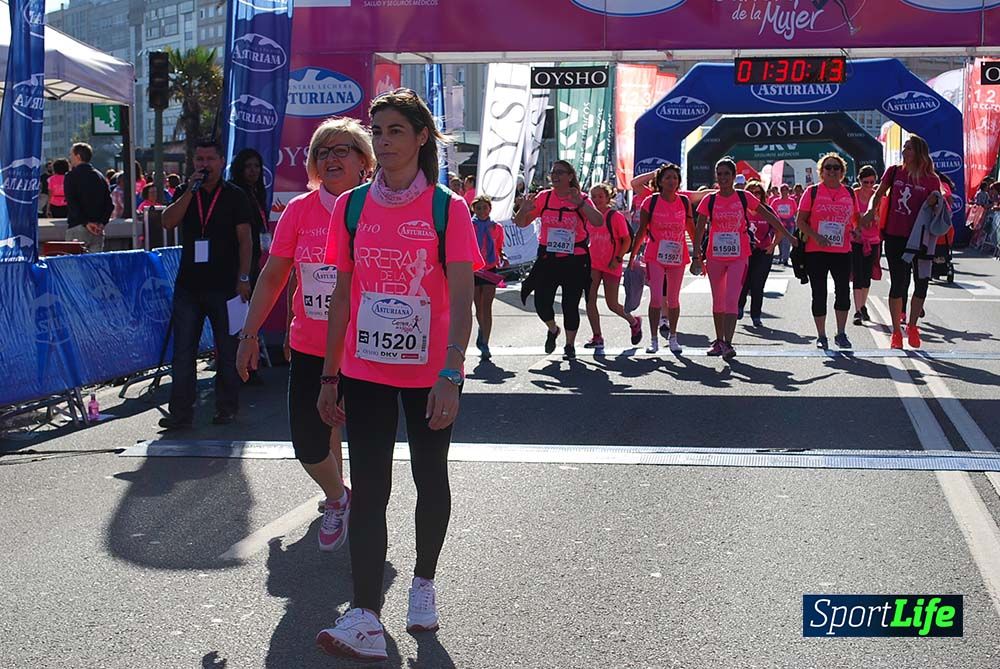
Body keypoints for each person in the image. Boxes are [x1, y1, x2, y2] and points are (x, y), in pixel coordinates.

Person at [314, 89, 482, 661]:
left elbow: (461, 296)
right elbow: (342, 294)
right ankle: (363, 612)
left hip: (430, 373)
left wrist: (452, 372)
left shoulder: (447, 208)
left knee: (430, 477)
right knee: (371, 493)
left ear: (419, 138)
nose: (382, 143)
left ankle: (424, 582)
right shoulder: (351, 207)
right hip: (366, 372)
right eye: (377, 132)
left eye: (393, 132)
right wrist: (330, 376)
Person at [236, 117, 374, 551]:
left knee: (362, 435)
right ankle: (338, 495)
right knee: (309, 442)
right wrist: (249, 334)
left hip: (366, 348)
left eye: (341, 150)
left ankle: (357, 510)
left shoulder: (378, 207)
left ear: (363, 161)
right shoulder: (298, 210)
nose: (331, 159)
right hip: (311, 344)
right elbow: (275, 275)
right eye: (322, 152)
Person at [158, 139, 254, 429]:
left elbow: (245, 240)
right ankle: (181, 413)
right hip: (189, 285)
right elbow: (167, 222)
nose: (204, 164)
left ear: (221, 162)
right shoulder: (186, 193)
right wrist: (189, 191)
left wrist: (244, 277)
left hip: (225, 285)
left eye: (210, 159)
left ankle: (226, 408)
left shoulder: (234, 195)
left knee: (226, 351)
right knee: (183, 352)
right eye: (199, 159)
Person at [694, 158, 791, 359]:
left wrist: (787, 235)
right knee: (717, 301)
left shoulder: (744, 197)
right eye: (719, 174)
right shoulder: (709, 200)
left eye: (726, 174)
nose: (722, 178)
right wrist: (696, 255)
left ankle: (728, 343)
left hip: (739, 256)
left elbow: (769, 215)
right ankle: (719, 341)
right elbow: (700, 229)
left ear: (733, 176)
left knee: (731, 300)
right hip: (715, 256)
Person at [514, 160, 605, 359]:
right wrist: (524, 208)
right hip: (548, 258)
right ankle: (553, 329)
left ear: (570, 176)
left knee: (570, 304)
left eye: (560, 173)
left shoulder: (580, 198)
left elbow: (598, 221)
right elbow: (520, 223)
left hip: (575, 259)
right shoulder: (544, 197)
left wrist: (580, 204)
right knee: (541, 302)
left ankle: (569, 345)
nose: (555, 176)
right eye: (553, 172)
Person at [861, 135, 942, 349]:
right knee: (899, 282)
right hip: (896, 235)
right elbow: (878, 193)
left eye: (908, 148)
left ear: (919, 152)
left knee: (922, 282)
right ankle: (896, 331)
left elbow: (939, 208)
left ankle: (913, 326)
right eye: (904, 147)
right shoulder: (895, 171)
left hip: (922, 237)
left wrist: (937, 202)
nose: (904, 151)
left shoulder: (931, 179)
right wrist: (871, 210)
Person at [796, 152, 861, 349]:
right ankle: (821, 335)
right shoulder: (812, 192)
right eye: (828, 167)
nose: (832, 171)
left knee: (843, 292)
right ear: (821, 172)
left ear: (842, 172)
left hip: (842, 251)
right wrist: (817, 237)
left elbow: (856, 219)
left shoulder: (849, 193)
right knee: (819, 293)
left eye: (836, 168)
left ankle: (841, 333)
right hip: (816, 251)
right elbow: (800, 221)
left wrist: (856, 231)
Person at [628, 163, 693, 353]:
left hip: (677, 255)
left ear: (679, 181)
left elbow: (691, 227)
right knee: (656, 298)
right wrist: (632, 255)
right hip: (655, 254)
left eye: (674, 177)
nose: (671, 181)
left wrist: (699, 254)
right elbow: (641, 231)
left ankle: (673, 337)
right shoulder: (651, 201)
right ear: (660, 182)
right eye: (667, 178)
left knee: (673, 299)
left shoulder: (684, 201)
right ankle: (654, 339)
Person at [583, 183, 641, 350]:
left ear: (608, 198)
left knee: (612, 304)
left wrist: (618, 258)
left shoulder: (614, 216)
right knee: (590, 300)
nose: (596, 200)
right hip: (594, 263)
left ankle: (633, 321)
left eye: (600, 196)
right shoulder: (590, 216)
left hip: (611, 263)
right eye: (593, 196)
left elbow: (627, 239)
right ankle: (597, 336)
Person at [738, 180, 780, 328]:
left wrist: (773, 246)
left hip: (763, 252)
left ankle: (756, 315)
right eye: (752, 193)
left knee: (757, 284)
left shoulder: (767, 210)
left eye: (758, 193)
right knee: (743, 282)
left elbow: (779, 229)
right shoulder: (741, 209)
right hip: (745, 251)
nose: (755, 195)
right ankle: (739, 306)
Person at [471, 195, 506, 359]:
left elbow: (499, 246)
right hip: (473, 269)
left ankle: (485, 342)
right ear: (474, 209)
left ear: (490, 209)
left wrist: (502, 256)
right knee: (478, 307)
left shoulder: (496, 227)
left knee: (487, 306)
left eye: (485, 208)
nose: (482, 211)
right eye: (478, 208)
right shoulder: (470, 226)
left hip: (490, 268)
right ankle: (481, 328)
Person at [64, 143, 114, 252]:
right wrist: (101, 223)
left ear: (78, 156)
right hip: (97, 230)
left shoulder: (71, 176)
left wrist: (86, 222)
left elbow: (72, 203)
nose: (70, 158)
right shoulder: (100, 177)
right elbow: (109, 205)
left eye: (71, 155)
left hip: (78, 227)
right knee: (95, 265)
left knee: (75, 265)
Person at [230, 148, 268, 287]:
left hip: (255, 256)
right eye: (248, 166)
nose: (253, 170)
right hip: (236, 259)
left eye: (256, 166)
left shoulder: (257, 191)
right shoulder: (234, 192)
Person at [851, 165, 880, 325]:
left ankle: (862, 306)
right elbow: (850, 215)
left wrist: (876, 219)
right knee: (857, 274)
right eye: (865, 182)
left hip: (873, 240)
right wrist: (855, 227)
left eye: (871, 182)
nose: (869, 185)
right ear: (859, 181)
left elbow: (882, 218)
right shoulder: (853, 195)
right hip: (856, 239)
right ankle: (857, 310)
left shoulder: (877, 197)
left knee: (867, 275)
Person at [770, 183, 798, 266]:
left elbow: (796, 212)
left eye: (786, 190)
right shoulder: (776, 201)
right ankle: (782, 255)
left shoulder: (791, 201)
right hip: (779, 223)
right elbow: (771, 211)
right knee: (780, 241)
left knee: (787, 241)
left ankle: (785, 258)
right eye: (782, 190)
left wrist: (797, 222)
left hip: (789, 223)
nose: (784, 192)